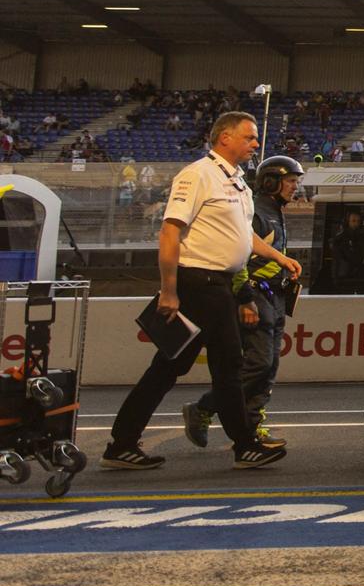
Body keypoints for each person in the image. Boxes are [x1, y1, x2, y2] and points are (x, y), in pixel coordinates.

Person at [103, 112, 296, 470]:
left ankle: (121, 443)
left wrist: (276, 256)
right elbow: (170, 232)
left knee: (168, 368)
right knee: (229, 365)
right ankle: (245, 444)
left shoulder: (237, 181)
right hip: (200, 283)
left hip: (216, 284)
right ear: (224, 138)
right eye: (249, 137)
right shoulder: (197, 175)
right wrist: (168, 291)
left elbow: (242, 235)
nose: (256, 144)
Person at [181, 155, 306, 449]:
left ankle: (251, 425)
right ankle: (205, 408)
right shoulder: (257, 211)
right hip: (256, 294)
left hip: (275, 296)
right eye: (290, 181)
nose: (294, 188)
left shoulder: (275, 211)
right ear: (271, 181)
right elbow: (238, 255)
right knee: (259, 363)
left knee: (269, 366)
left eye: (295, 182)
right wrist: (244, 297)